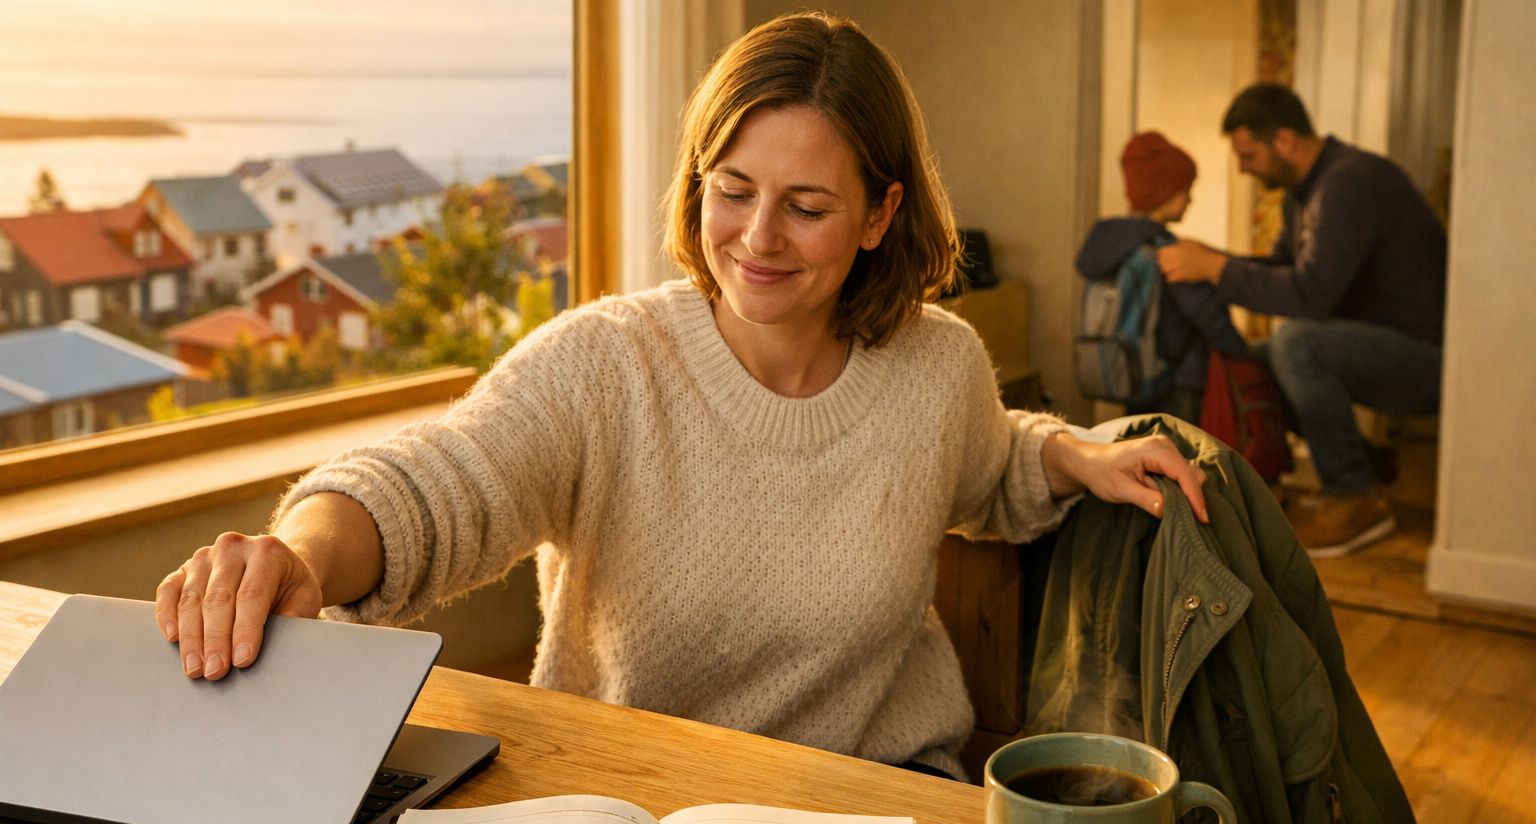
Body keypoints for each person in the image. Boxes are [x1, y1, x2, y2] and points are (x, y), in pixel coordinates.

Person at [156, 12, 1206, 782]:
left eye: (807, 206)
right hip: (626, 814)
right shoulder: (604, 364)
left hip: (882, 804)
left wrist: (1070, 451)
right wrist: (300, 554)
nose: (758, 239)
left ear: (881, 215)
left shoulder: (937, 366)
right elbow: (443, 478)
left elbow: (988, 463)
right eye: (732, 191)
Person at [1157, 82, 1447, 557]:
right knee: (1250, 361)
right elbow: (1282, 270)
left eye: (1248, 155)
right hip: (1379, 347)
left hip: (1427, 360)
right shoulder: (1304, 193)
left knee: (1296, 342)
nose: (1242, 168)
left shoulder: (1351, 181)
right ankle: (1367, 467)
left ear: (1285, 140)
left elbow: (1310, 296)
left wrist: (1217, 270)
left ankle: (1355, 496)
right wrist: (1212, 259)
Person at [1075, 131, 1250, 424]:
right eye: (1185, 190)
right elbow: (1208, 313)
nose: (1190, 199)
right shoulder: (1168, 252)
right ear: (1163, 192)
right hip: (1179, 381)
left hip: (1135, 374)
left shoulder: (1116, 248)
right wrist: (1241, 352)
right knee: (1179, 449)